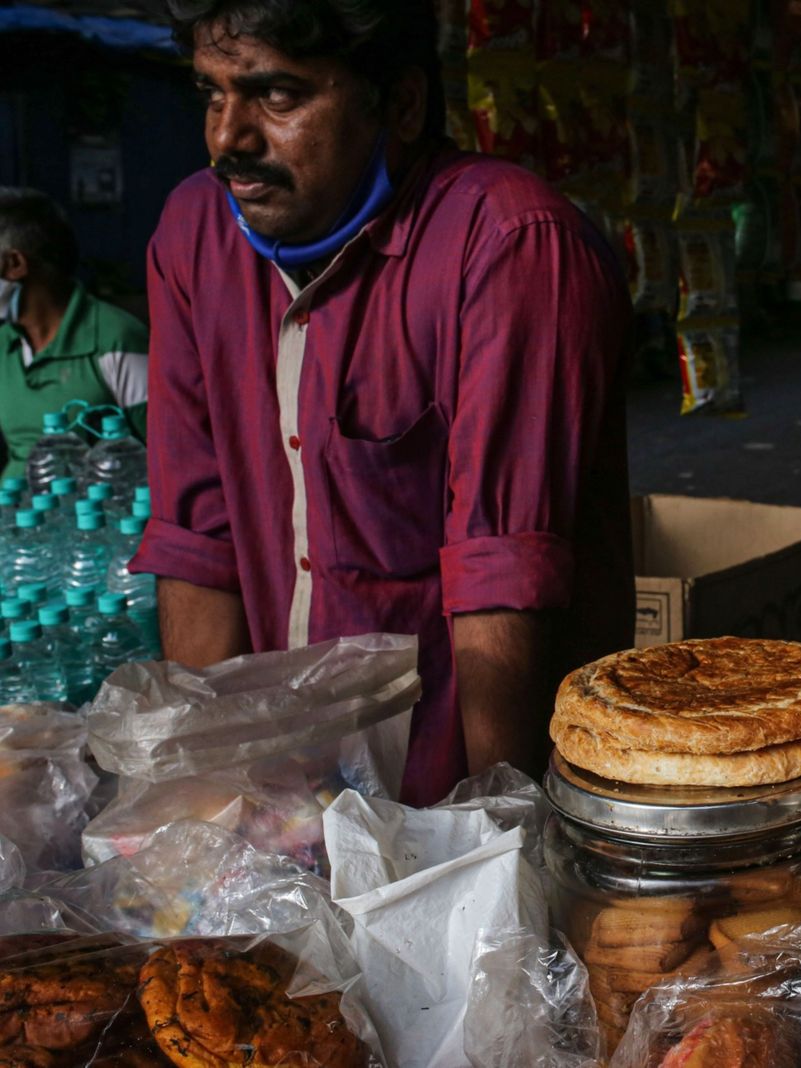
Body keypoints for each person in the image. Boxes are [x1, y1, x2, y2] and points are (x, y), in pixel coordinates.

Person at [133, 0, 635, 804]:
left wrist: (493, 836)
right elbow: (200, 540)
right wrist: (215, 807)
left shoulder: (509, 241)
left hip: (458, 789)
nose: (230, 137)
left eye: (278, 96)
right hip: (294, 803)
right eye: (212, 95)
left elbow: (501, 574)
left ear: (399, 104)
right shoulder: (196, 234)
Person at [0, 188, 150, 479]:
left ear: (15, 264)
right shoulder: (4, 344)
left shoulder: (116, 340)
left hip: (88, 519)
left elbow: (170, 453)